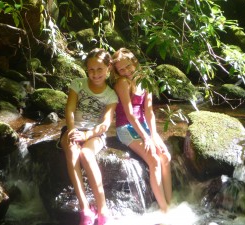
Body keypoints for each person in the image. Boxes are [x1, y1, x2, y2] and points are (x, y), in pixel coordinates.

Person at [60, 48, 118, 225]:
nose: (95, 74)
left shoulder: (111, 95)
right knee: (72, 150)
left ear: (108, 69)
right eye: (91, 69)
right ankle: (84, 208)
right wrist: (71, 130)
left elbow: (105, 124)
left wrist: (87, 134)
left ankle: (102, 209)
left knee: (86, 154)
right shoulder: (78, 84)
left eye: (100, 69)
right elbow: (69, 108)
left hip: (95, 133)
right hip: (74, 129)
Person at [111, 47, 172, 212]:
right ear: (117, 72)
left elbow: (149, 111)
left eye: (128, 66)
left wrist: (154, 136)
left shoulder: (145, 80)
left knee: (165, 156)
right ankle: (164, 209)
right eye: (121, 69)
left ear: (134, 63)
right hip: (126, 127)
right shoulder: (123, 83)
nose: (126, 71)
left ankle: (170, 201)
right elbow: (130, 115)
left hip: (143, 125)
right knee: (154, 159)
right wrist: (146, 138)